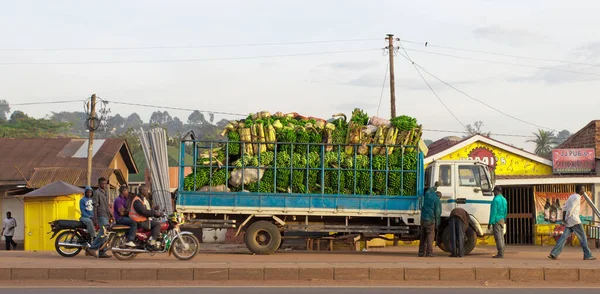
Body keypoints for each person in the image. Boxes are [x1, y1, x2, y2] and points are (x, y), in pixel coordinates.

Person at [548, 184, 596, 261]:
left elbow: (564, 207)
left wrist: (565, 219)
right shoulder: (577, 197)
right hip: (574, 220)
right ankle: (587, 255)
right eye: (583, 189)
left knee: (563, 237)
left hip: (570, 221)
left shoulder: (572, 196)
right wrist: (566, 218)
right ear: (580, 190)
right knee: (583, 237)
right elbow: (570, 209)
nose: (584, 191)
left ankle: (554, 253)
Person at [87, 177, 113, 258]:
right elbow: (95, 206)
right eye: (103, 184)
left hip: (106, 214)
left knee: (106, 233)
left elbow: (107, 205)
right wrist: (95, 218)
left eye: (105, 183)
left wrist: (111, 215)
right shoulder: (97, 193)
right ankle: (92, 248)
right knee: (104, 232)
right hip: (100, 215)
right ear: (99, 184)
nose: (104, 185)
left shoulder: (106, 192)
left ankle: (102, 252)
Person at [418, 183, 441, 257]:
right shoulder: (437, 200)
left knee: (423, 236)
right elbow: (437, 212)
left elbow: (430, 189)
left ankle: (421, 252)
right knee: (430, 237)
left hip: (423, 219)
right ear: (439, 196)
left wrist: (436, 186)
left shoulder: (427, 194)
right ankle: (429, 252)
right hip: (430, 220)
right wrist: (438, 223)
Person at [488, 186, 507, 258]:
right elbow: (505, 211)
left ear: (496, 191)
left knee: (498, 237)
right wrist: (504, 219)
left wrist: (490, 222)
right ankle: (502, 252)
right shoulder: (504, 199)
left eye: (494, 192)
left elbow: (493, 212)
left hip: (496, 219)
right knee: (502, 237)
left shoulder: (495, 200)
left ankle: (500, 253)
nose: (494, 193)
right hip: (502, 219)